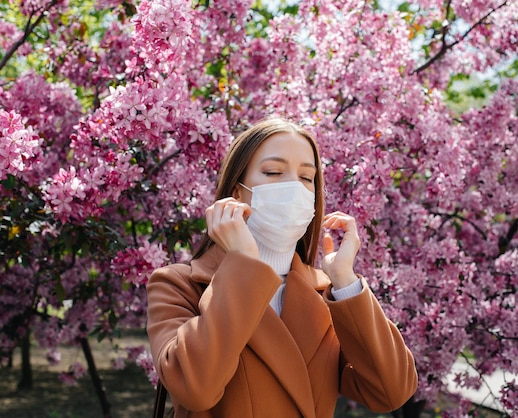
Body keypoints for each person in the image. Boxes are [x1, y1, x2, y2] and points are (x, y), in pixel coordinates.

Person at [146, 117, 418, 418]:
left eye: (306, 178)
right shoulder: (178, 285)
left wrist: (345, 282)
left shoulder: (326, 294)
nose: (293, 187)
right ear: (236, 193)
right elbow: (195, 389)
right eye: (274, 172)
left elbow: (391, 391)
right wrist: (241, 265)